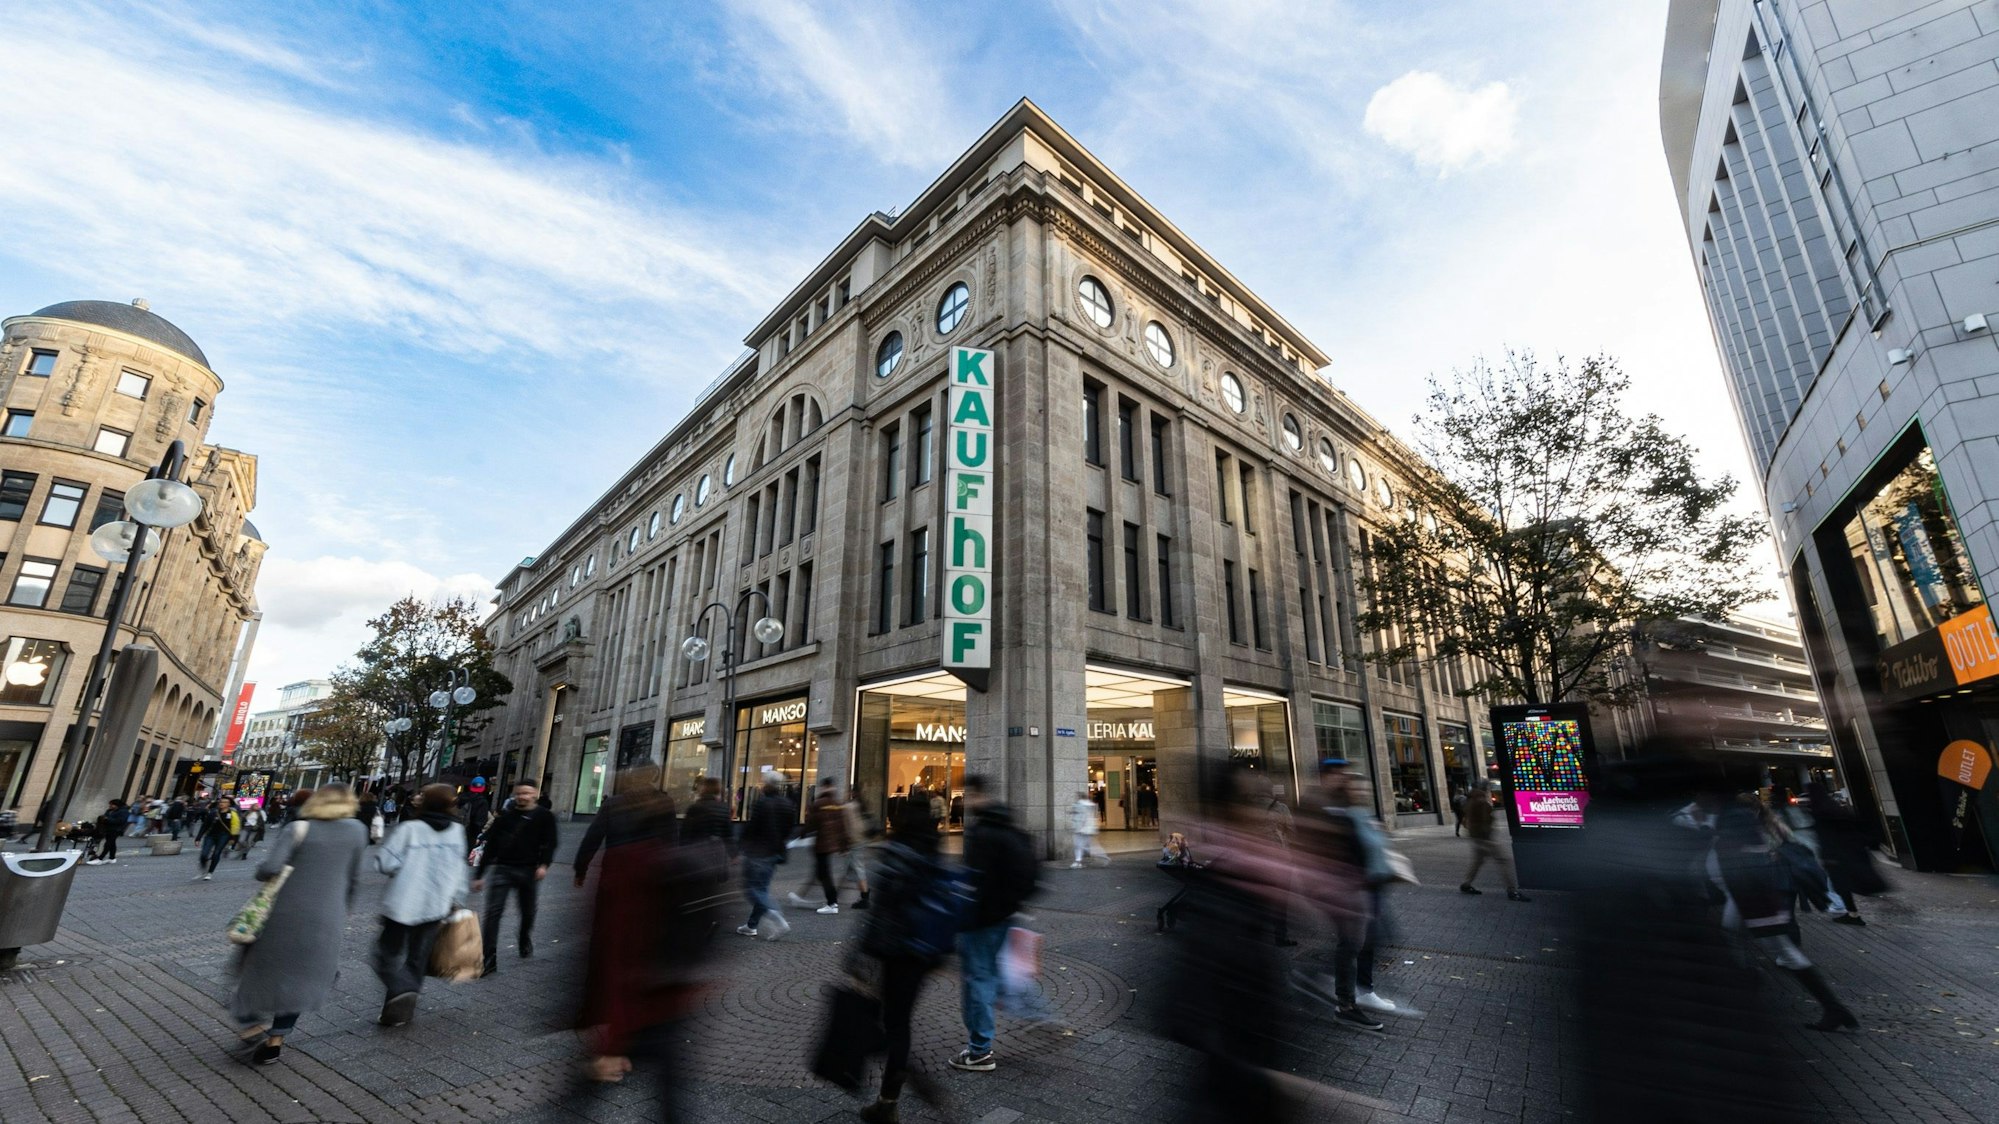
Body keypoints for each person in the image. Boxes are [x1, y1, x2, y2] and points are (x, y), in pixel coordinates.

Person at [572, 765, 724, 1098]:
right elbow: (673, 842)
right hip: (657, 892)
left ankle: (610, 1045)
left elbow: (593, 836)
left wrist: (581, 868)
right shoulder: (665, 809)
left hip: (620, 881)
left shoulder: (615, 809)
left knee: (614, 944)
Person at [228, 786, 369, 1064]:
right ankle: (276, 1040)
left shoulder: (297, 829)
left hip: (284, 912)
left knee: (254, 968)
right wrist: (345, 909)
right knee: (302, 978)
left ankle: (251, 1024)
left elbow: (270, 868)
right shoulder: (357, 831)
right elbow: (354, 877)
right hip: (329, 914)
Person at [1714, 800, 1859, 1031]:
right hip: (1758, 893)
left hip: (1755, 895)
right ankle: (1833, 1008)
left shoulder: (1738, 822)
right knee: (1745, 939)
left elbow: (1746, 859)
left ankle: (1833, 1008)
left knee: (1775, 947)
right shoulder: (1756, 823)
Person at [856, 800, 949, 1124]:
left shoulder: (896, 854)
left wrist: (861, 953)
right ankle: (888, 1098)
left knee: (885, 1023)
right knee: (900, 1021)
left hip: (894, 952)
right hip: (922, 953)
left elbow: (881, 912)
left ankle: (901, 1081)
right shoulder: (933, 853)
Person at [951, 774, 1039, 1073]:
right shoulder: (1008, 824)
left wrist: (964, 913)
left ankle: (979, 1051)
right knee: (996, 972)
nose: (965, 801)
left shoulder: (982, 832)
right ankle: (1038, 1013)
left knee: (979, 979)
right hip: (1006, 915)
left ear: (975, 795)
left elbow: (974, 880)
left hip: (982, 919)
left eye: (967, 795)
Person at [374, 783, 469, 1027]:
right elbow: (460, 869)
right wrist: (457, 898)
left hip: (402, 903)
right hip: (436, 904)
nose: (417, 796)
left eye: (421, 795)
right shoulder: (457, 831)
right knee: (417, 958)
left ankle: (398, 990)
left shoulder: (410, 829)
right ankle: (399, 1013)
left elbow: (386, 863)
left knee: (384, 955)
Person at [473, 781, 559, 976]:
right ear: (514, 794)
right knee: (493, 913)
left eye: (527, 793)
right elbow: (491, 846)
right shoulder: (505, 817)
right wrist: (479, 875)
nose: (523, 796)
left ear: (535, 794)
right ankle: (489, 957)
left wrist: (544, 865)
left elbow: (551, 843)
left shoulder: (545, 817)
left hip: (528, 870)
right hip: (503, 869)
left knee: (528, 911)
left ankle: (523, 936)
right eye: (519, 793)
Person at [1805, 782, 1875, 927]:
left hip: (1835, 855)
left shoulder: (1820, 811)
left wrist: (1827, 856)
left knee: (1841, 885)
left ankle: (1851, 913)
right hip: (1848, 852)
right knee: (1843, 884)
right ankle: (1852, 913)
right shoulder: (1835, 807)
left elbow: (1825, 836)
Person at [737, 778, 796, 939]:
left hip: (759, 852)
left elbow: (751, 827)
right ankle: (751, 925)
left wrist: (740, 847)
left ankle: (777, 918)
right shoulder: (787, 804)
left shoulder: (762, 803)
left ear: (767, 785)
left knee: (752, 889)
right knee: (761, 889)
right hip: (775, 852)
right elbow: (789, 828)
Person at [1459, 779, 1528, 901]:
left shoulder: (1470, 799)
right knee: (1503, 860)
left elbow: (1468, 818)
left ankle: (1466, 884)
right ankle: (1512, 890)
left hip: (1476, 836)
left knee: (1478, 861)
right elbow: (1484, 819)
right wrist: (1487, 834)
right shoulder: (1480, 800)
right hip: (1484, 837)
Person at [788, 778, 849, 914]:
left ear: (824, 787)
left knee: (824, 874)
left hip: (822, 843)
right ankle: (802, 897)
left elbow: (811, 823)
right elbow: (842, 826)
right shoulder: (837, 804)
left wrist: (800, 835)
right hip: (831, 844)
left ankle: (832, 903)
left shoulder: (819, 804)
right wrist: (844, 846)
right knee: (821, 872)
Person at [843, 784, 873, 909]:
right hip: (861, 840)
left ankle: (865, 896)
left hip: (855, 841)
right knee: (852, 867)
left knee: (857, 868)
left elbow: (851, 827)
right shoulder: (862, 805)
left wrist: (847, 840)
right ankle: (863, 893)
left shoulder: (850, 806)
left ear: (852, 792)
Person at [196, 801, 242, 880]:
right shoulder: (213, 812)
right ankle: (204, 868)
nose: (222, 803)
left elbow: (235, 827)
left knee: (216, 853)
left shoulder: (232, 814)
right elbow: (205, 825)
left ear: (229, 804)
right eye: (221, 802)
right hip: (210, 835)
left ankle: (210, 872)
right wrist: (198, 838)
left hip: (224, 836)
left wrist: (233, 839)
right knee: (204, 854)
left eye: (224, 802)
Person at [1069, 791, 1109, 868]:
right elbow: (1092, 817)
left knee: (1078, 845)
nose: (1076, 798)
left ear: (1079, 797)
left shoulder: (1079, 805)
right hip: (1088, 829)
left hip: (1080, 829)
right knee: (1085, 845)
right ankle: (1102, 856)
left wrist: (1078, 827)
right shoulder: (1091, 805)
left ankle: (1078, 861)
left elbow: (1081, 817)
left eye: (1077, 796)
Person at [85, 799, 130, 865]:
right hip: (108, 828)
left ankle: (100, 858)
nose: (110, 806)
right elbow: (105, 816)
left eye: (112, 805)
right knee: (112, 843)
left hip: (116, 829)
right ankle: (112, 858)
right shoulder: (109, 811)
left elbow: (120, 821)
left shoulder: (123, 811)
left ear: (117, 805)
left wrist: (108, 819)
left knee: (108, 844)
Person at [462, 778, 493, 852]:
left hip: (457, 831)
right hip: (471, 834)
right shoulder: (482, 802)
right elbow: (480, 821)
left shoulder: (462, 798)